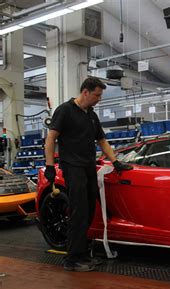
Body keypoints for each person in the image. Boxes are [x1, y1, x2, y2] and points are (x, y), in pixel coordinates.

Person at [44, 77, 132, 272]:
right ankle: (72, 259)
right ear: (85, 92)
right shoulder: (65, 110)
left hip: (88, 166)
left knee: (89, 209)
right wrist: (50, 166)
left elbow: (102, 140)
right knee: (78, 211)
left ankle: (83, 253)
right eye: (97, 95)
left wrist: (116, 161)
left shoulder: (91, 115)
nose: (99, 99)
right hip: (72, 166)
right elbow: (51, 139)